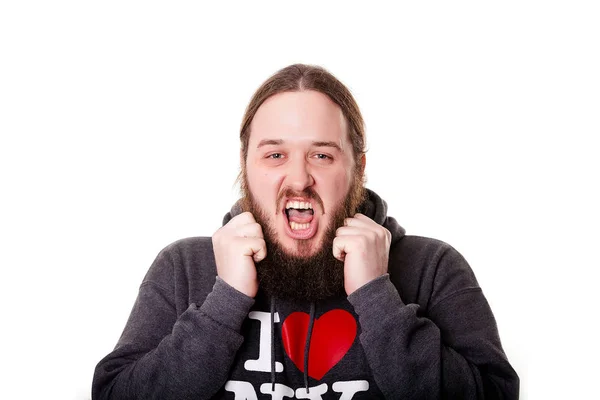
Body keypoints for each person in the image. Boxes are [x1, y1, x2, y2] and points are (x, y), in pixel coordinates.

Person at [92, 64, 519, 399]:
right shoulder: (183, 266)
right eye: (275, 154)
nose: (298, 179)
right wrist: (222, 303)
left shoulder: (433, 266)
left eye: (321, 155)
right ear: (246, 166)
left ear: (359, 167)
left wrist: (377, 298)